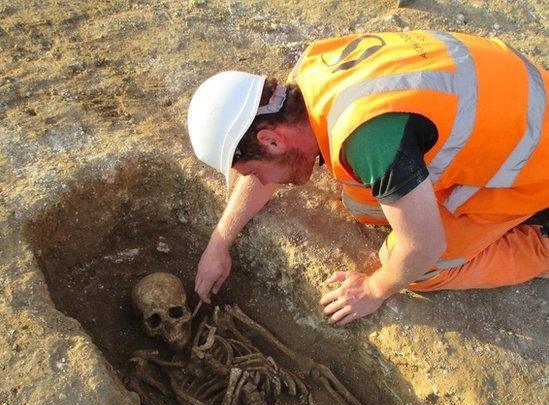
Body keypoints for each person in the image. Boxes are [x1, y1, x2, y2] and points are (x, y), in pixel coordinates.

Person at [187, 30, 549, 326]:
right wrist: (220, 240)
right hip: (516, 102)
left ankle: (542, 245)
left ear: (271, 139)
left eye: (251, 171)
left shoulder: (368, 138)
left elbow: (423, 247)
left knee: (417, 268)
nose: (261, 180)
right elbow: (268, 171)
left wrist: (375, 289)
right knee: (360, 199)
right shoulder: (311, 76)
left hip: (533, 163)